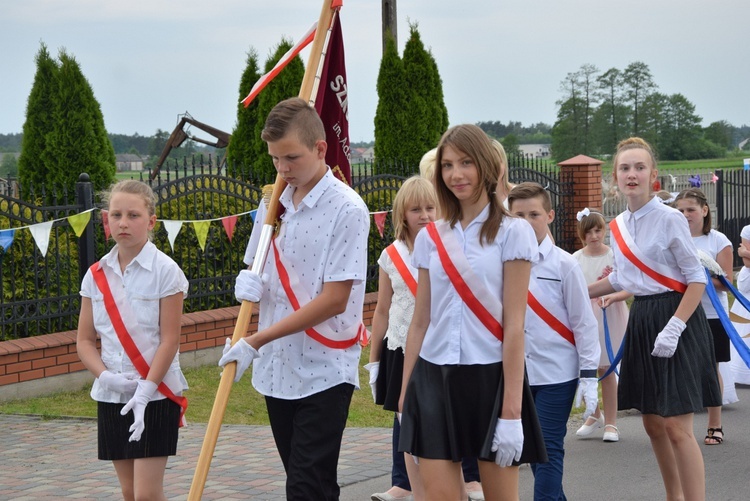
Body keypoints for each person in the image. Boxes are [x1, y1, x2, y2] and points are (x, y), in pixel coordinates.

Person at [219, 97, 370, 500]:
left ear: (321, 149)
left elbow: (335, 299)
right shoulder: (273, 203)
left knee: (307, 486)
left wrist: (255, 340)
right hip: (277, 368)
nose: (283, 169)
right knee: (306, 483)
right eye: (274, 159)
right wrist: (248, 284)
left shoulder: (348, 209)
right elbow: (258, 268)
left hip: (325, 367)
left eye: (292, 158)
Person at [398, 124, 547, 501]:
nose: (456, 174)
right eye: (447, 165)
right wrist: (405, 395)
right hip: (432, 379)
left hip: (491, 380)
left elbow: (515, 327)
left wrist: (512, 413)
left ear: (485, 165)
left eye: (465, 162)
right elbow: (420, 320)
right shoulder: (431, 237)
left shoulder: (514, 232)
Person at [588, 137, 720, 501]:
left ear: (653, 175)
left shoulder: (670, 217)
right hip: (643, 317)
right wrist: (580, 292)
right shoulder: (617, 226)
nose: (632, 174)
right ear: (615, 177)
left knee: (677, 425)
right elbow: (625, 279)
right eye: (625, 168)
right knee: (652, 424)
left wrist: (675, 326)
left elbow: (696, 278)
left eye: (640, 167)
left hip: (676, 317)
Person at [76, 179, 189, 501]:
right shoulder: (96, 274)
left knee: (147, 495)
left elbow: (170, 340)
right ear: (105, 219)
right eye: (116, 215)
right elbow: (84, 340)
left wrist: (146, 391)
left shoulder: (166, 271)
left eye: (134, 215)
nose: (123, 223)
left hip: (154, 395)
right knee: (129, 492)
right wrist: (105, 376)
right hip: (113, 395)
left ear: (151, 221)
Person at [508, 182, 601, 500]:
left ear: (549, 216)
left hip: (556, 374)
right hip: (515, 375)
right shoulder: (501, 262)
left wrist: (589, 376)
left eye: (533, 214)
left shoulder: (565, 265)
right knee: (532, 453)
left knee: (547, 451)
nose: (525, 221)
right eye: (517, 215)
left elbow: (584, 324)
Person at [367, 176, 436, 501]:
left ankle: (467, 478)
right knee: (403, 418)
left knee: (444, 417)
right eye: (416, 209)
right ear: (402, 214)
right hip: (398, 347)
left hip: (437, 349)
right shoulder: (390, 255)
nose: (424, 215)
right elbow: (382, 309)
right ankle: (407, 485)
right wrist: (374, 359)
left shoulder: (447, 247)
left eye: (430, 207)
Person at [674, 188, 734, 445]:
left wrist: (701, 275)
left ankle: (715, 423)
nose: (685, 215)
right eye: (680, 211)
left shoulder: (718, 241)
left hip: (711, 313)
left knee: (710, 368)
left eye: (690, 210)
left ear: (704, 211)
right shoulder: (673, 239)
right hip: (679, 312)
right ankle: (679, 426)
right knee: (680, 368)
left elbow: (726, 283)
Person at [571, 208, 631, 442]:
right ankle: (595, 415)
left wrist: (615, 297)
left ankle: (612, 423)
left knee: (606, 370)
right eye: (589, 232)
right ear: (581, 234)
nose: (594, 236)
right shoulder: (575, 259)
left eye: (598, 230)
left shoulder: (614, 256)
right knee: (582, 369)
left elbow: (629, 285)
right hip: (584, 318)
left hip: (610, 315)